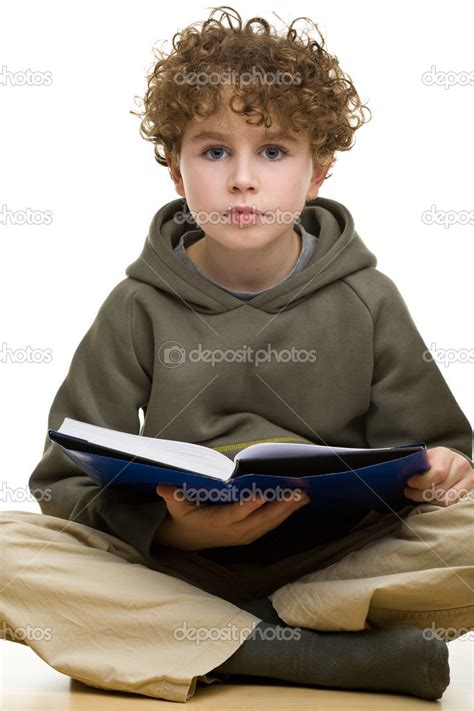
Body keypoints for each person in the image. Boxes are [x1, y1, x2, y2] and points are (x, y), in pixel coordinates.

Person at [1, 6, 473, 704]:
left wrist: (443, 470)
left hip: (331, 569)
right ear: (174, 168)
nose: (243, 180)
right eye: (214, 151)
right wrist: (176, 530)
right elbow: (62, 484)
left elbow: (443, 454)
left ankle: (210, 640)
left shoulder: (370, 299)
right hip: (175, 568)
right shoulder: (135, 306)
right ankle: (303, 654)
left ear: (319, 172)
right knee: (8, 546)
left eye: (274, 151)